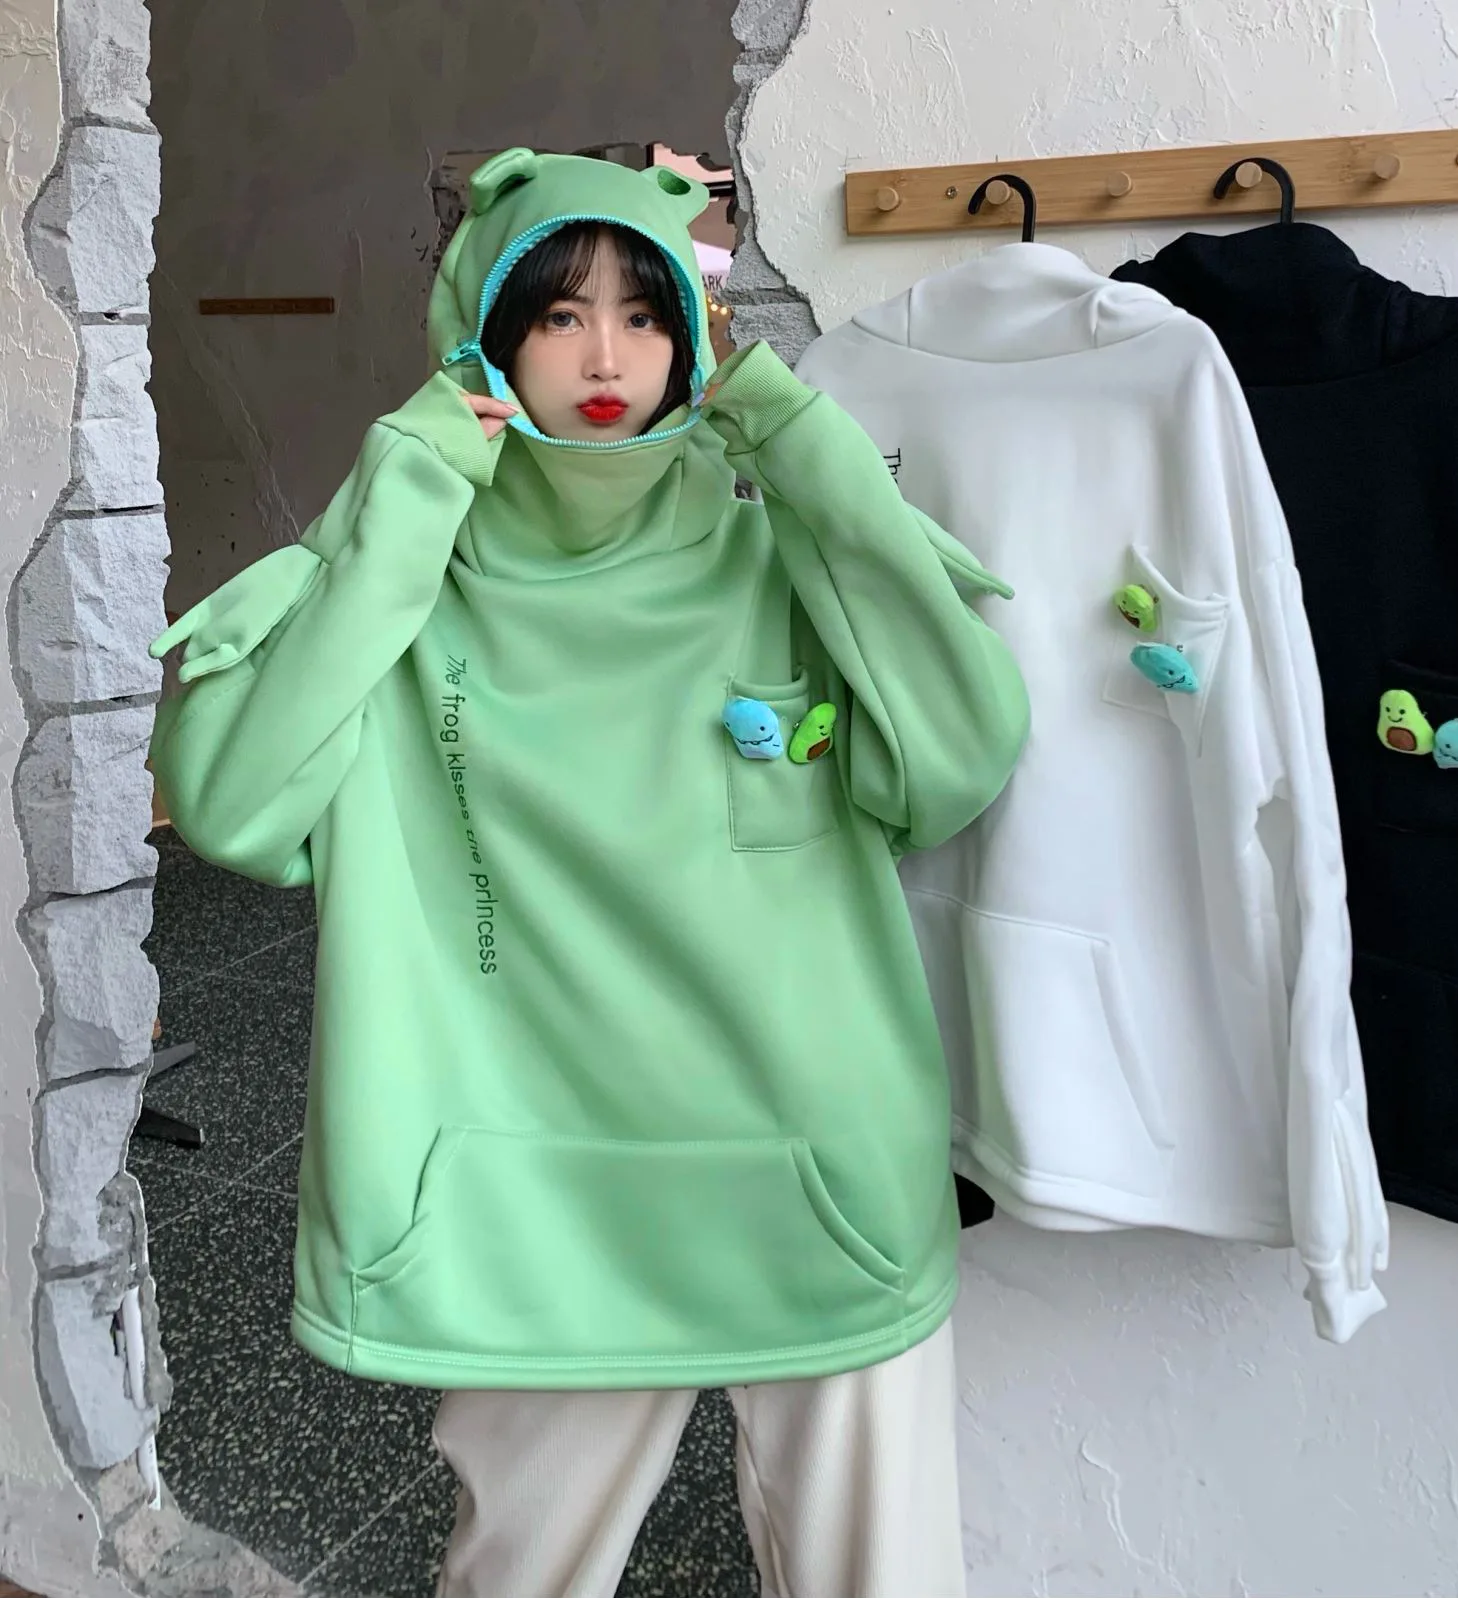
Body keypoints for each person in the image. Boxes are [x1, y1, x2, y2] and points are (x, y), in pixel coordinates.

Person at [149, 150, 1030, 1598]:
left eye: (646, 312)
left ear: (697, 336)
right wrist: (408, 492)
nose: (607, 358)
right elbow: (236, 807)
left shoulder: (778, 553)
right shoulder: (404, 574)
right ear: (485, 339)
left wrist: (794, 441)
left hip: (814, 1162)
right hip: (529, 1196)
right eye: (558, 315)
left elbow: (953, 759)